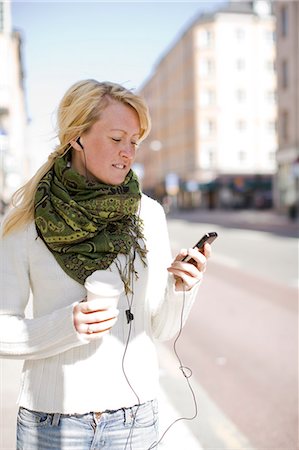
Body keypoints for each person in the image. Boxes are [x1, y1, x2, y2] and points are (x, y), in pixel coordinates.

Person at [0, 79, 211, 450]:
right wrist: (67, 326)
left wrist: (180, 291)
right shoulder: (26, 221)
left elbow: (160, 329)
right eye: (117, 138)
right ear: (77, 136)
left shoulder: (149, 215)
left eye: (134, 141)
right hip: (50, 424)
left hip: (135, 418)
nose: (128, 152)